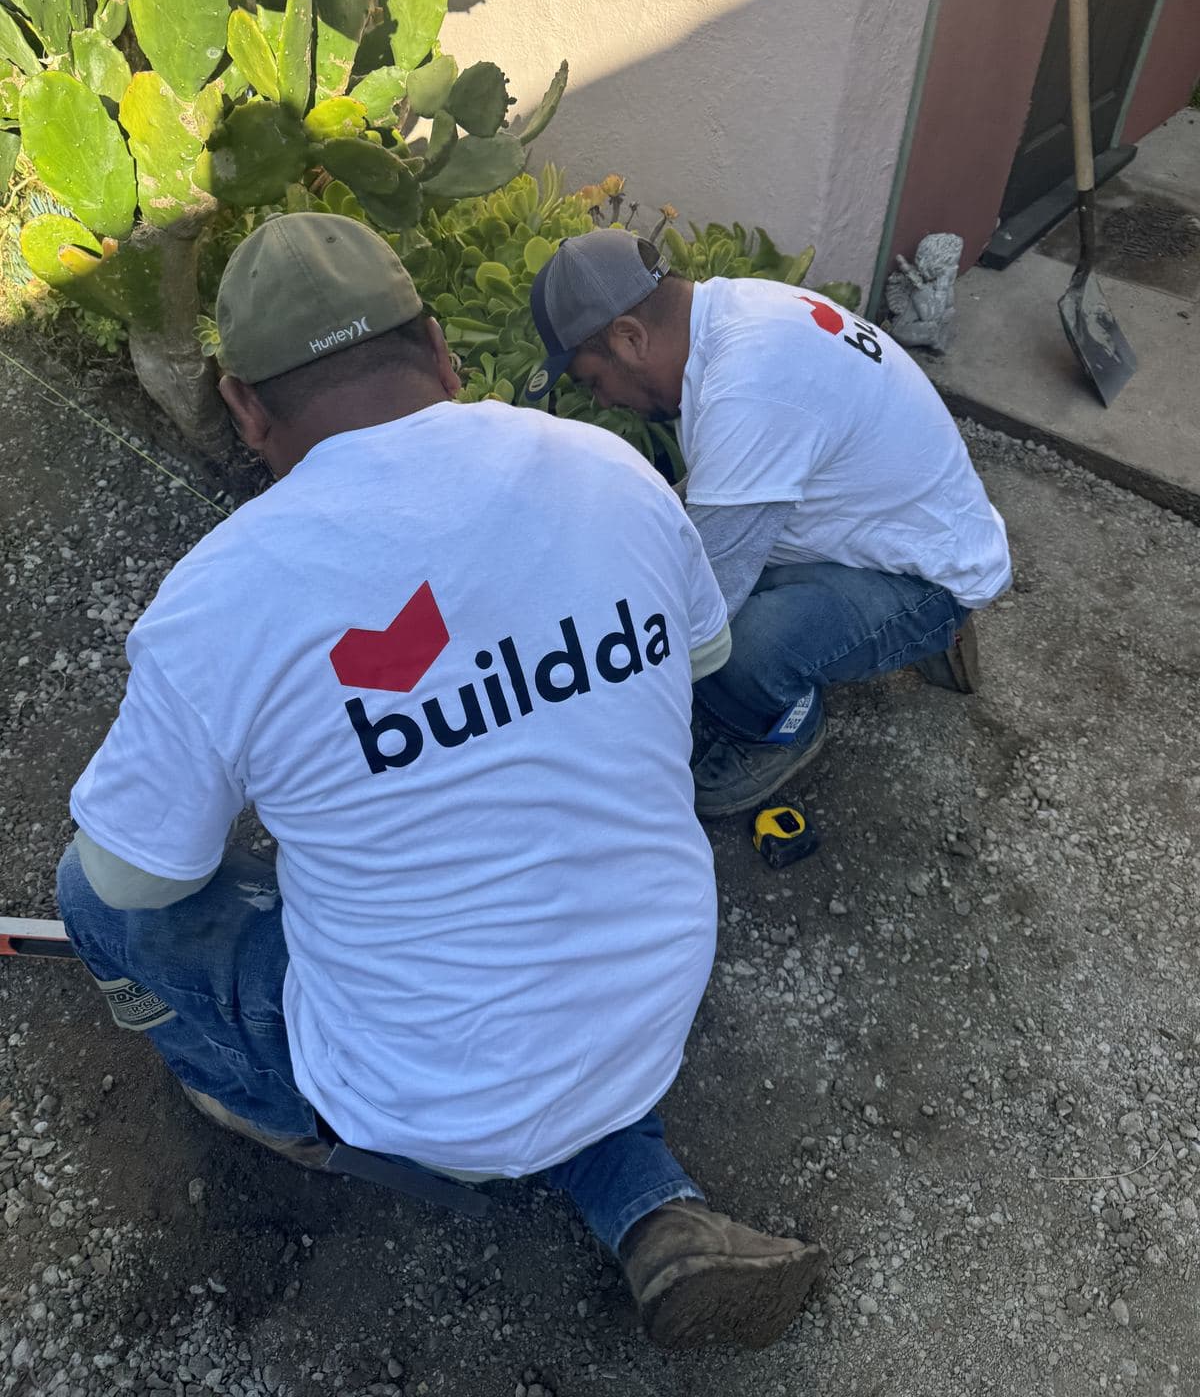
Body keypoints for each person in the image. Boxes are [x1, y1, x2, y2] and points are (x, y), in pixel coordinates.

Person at [56, 213, 828, 1351]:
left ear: (246, 407)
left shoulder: (224, 597)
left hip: (415, 1088)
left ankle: (289, 1113)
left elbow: (132, 878)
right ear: (439, 349)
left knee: (87, 890)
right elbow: (705, 653)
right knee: (521, 949)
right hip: (647, 1006)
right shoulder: (612, 473)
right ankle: (646, 1200)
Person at [523, 230, 1012, 817]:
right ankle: (868, 630)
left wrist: (576, 710)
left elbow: (701, 611)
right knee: (671, 563)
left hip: (927, 578)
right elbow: (700, 514)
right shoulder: (730, 317)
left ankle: (780, 726)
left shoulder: (751, 382)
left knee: (738, 650)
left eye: (591, 381)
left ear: (629, 339)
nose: (601, 401)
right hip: (890, 529)